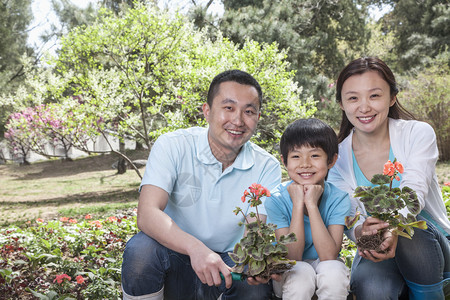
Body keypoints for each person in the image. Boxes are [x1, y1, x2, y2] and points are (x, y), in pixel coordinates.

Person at [121, 69, 282, 300]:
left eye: (249, 111)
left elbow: (255, 231)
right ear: (207, 111)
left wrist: (254, 261)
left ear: (257, 117)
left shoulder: (267, 166)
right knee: (141, 251)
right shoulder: (173, 145)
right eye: (228, 108)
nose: (237, 120)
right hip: (174, 257)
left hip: (228, 267)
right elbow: (147, 214)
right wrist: (196, 249)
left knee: (254, 288)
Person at [328, 56, 450, 299]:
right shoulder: (336, 157)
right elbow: (350, 214)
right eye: (353, 97)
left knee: (409, 230)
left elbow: (414, 191)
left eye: (374, 95)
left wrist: (394, 226)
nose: (364, 107)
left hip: (431, 246)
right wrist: (361, 232)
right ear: (341, 103)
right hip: (377, 247)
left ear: (392, 97)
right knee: (373, 288)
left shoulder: (417, 133)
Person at [265, 118, 351, 300]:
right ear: (285, 161)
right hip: (291, 274)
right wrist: (298, 204)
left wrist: (311, 204)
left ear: (331, 160)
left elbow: (329, 255)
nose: (305, 164)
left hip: (324, 266)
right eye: (296, 156)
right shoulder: (276, 199)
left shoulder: (339, 198)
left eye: (314, 155)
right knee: (301, 272)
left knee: (334, 270)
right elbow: (292, 256)